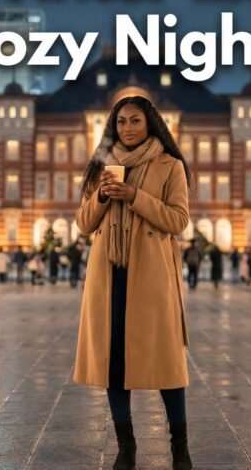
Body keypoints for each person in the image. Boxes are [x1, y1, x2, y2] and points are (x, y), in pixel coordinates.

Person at [72, 95, 193, 470]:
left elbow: (178, 220)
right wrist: (104, 196)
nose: (127, 128)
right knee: (114, 361)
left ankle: (180, 448)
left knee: (166, 360)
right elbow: (83, 223)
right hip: (109, 274)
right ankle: (127, 446)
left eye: (135, 121)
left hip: (152, 274)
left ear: (150, 124)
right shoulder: (101, 167)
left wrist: (136, 197)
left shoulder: (169, 165)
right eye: (121, 121)